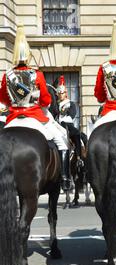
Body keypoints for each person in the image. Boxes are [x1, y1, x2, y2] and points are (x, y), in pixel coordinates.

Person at [0, 23, 71, 190]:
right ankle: (65, 177)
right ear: (28, 56)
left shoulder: (7, 76)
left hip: (13, 119)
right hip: (35, 117)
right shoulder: (36, 74)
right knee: (61, 141)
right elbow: (46, 101)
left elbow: (3, 98)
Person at [56, 75, 82, 162]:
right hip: (56, 125)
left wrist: (64, 113)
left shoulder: (70, 103)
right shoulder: (55, 104)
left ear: (66, 93)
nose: (60, 95)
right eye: (59, 93)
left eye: (62, 93)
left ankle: (79, 158)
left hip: (67, 124)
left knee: (77, 133)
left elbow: (72, 115)